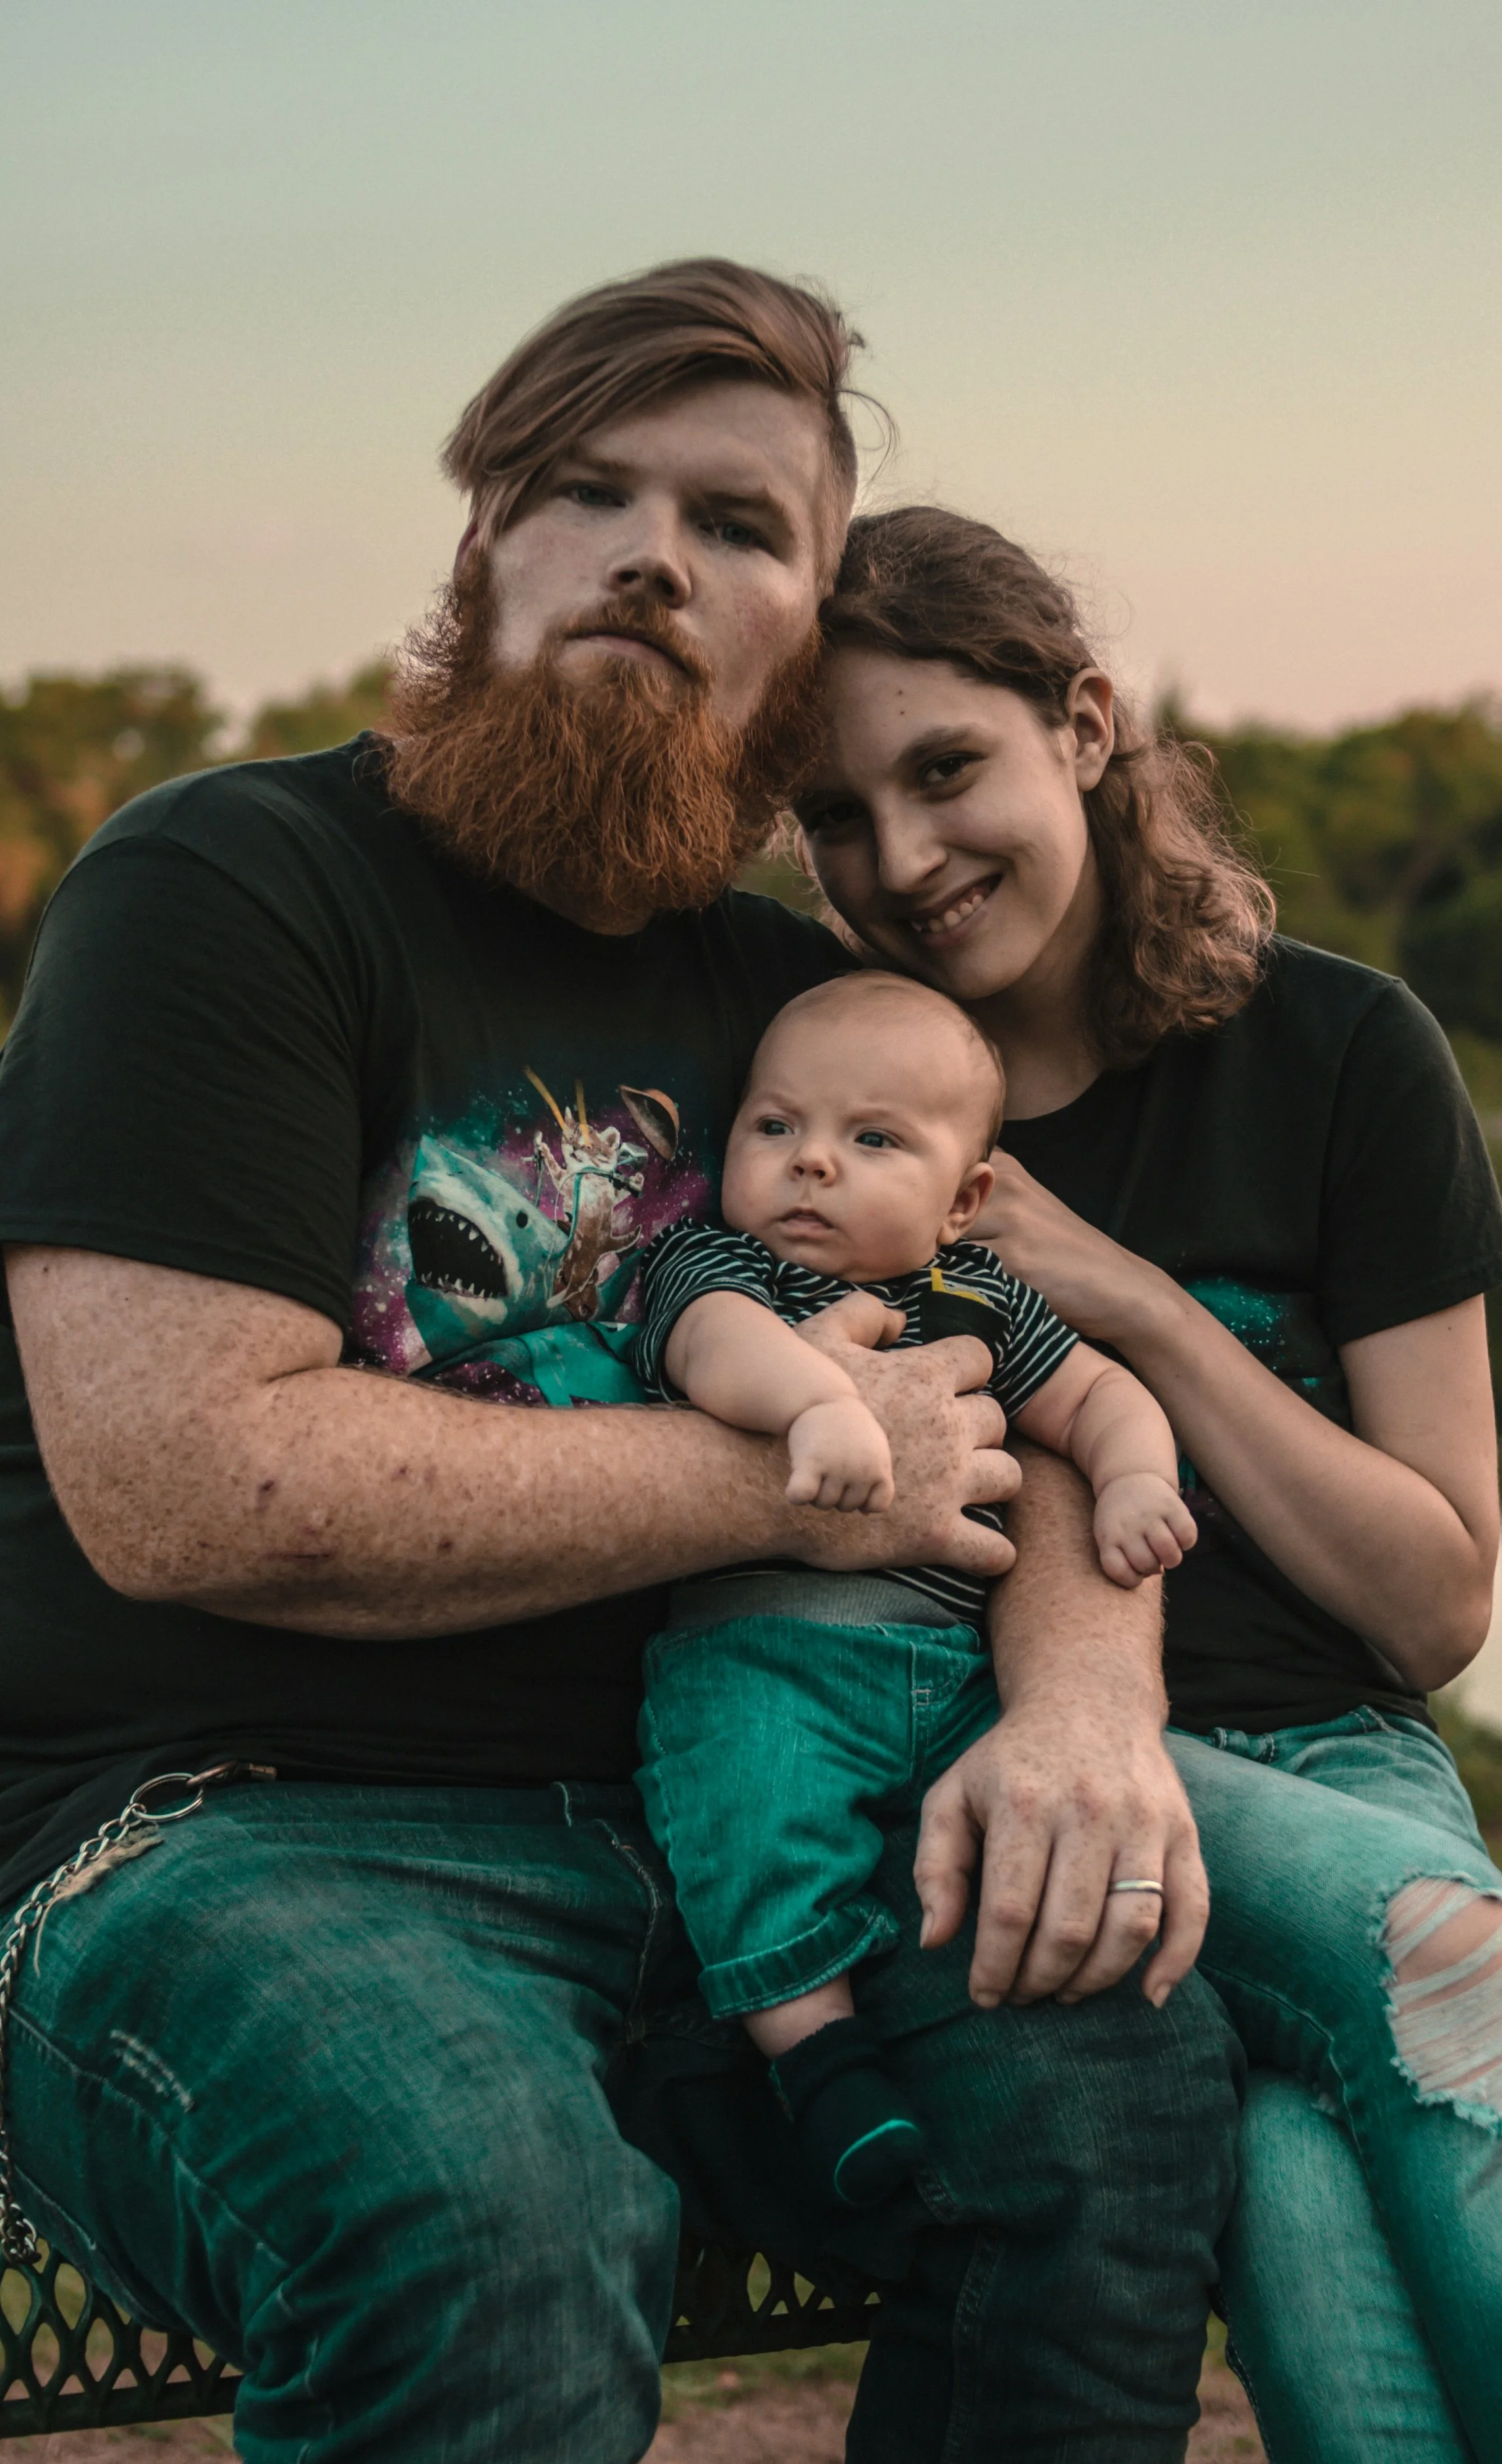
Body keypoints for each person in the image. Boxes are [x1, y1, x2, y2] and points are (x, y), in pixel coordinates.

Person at [0, 265, 1242, 2463]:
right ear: (484, 548)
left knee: (1114, 2111)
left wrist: (1075, 1703)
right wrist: (783, 1478)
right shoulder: (229, 887)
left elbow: (1019, 1396)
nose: (658, 554)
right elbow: (183, 1473)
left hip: (742, 1837)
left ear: (803, 646)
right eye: (587, 491)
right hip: (237, 1843)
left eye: (746, 526)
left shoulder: (811, 1018)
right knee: (489, 2221)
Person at [793, 501, 1502, 2463]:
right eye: (836, 815)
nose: (903, 863)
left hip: (1338, 1754)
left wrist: (1147, 1314)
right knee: (1440, 1941)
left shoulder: (1341, 1053)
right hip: (1002, 1762)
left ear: (1082, 722)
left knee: (1306, 2190)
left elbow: (1431, 1607)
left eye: (947, 770)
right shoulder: (827, 1106)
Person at [629, 969, 1195, 2206]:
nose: (810, 1165)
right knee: (749, 1811)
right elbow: (713, 1350)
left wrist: (1135, 1476)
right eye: (774, 1128)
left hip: (961, 1671)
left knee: (1031, 1822)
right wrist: (819, 1404)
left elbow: (1095, 1393)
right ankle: (818, 2059)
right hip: (764, 1651)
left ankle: (1007, 2002)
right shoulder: (724, 1264)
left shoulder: (982, 1298)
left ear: (966, 1199)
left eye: (870, 1139)